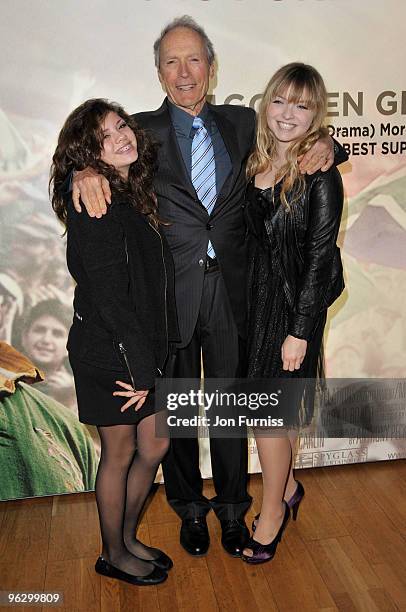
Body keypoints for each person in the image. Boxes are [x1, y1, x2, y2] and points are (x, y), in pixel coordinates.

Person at [70, 16, 346, 557]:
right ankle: (190, 509)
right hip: (169, 300)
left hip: (236, 295)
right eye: (171, 61)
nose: (184, 71)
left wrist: (332, 146)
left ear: (211, 67)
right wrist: (80, 172)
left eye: (194, 58)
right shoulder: (139, 133)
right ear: (158, 73)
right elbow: (90, 154)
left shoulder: (244, 123)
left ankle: (232, 509)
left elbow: (296, 143)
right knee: (172, 415)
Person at [50, 99, 180, 586]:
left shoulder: (127, 188)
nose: (121, 135)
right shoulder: (97, 199)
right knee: (121, 452)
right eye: (104, 135)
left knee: (156, 443)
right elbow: (110, 298)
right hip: (112, 351)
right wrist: (141, 368)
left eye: (122, 125)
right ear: (88, 153)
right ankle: (112, 554)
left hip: (139, 345)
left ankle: (126, 538)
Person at [242, 63, 345, 564]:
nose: (288, 114)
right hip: (254, 307)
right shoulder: (252, 160)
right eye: (281, 101)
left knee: (269, 420)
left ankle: (271, 516)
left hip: (294, 310)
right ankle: (288, 488)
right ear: (267, 104)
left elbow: (322, 257)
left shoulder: (320, 174)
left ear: (314, 115)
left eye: (302, 105)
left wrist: (301, 331)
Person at [19, 299, 76, 411]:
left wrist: (67, 400)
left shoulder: (78, 392)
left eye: (57, 334)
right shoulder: (5, 378)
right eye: (39, 330)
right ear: (24, 337)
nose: (46, 340)